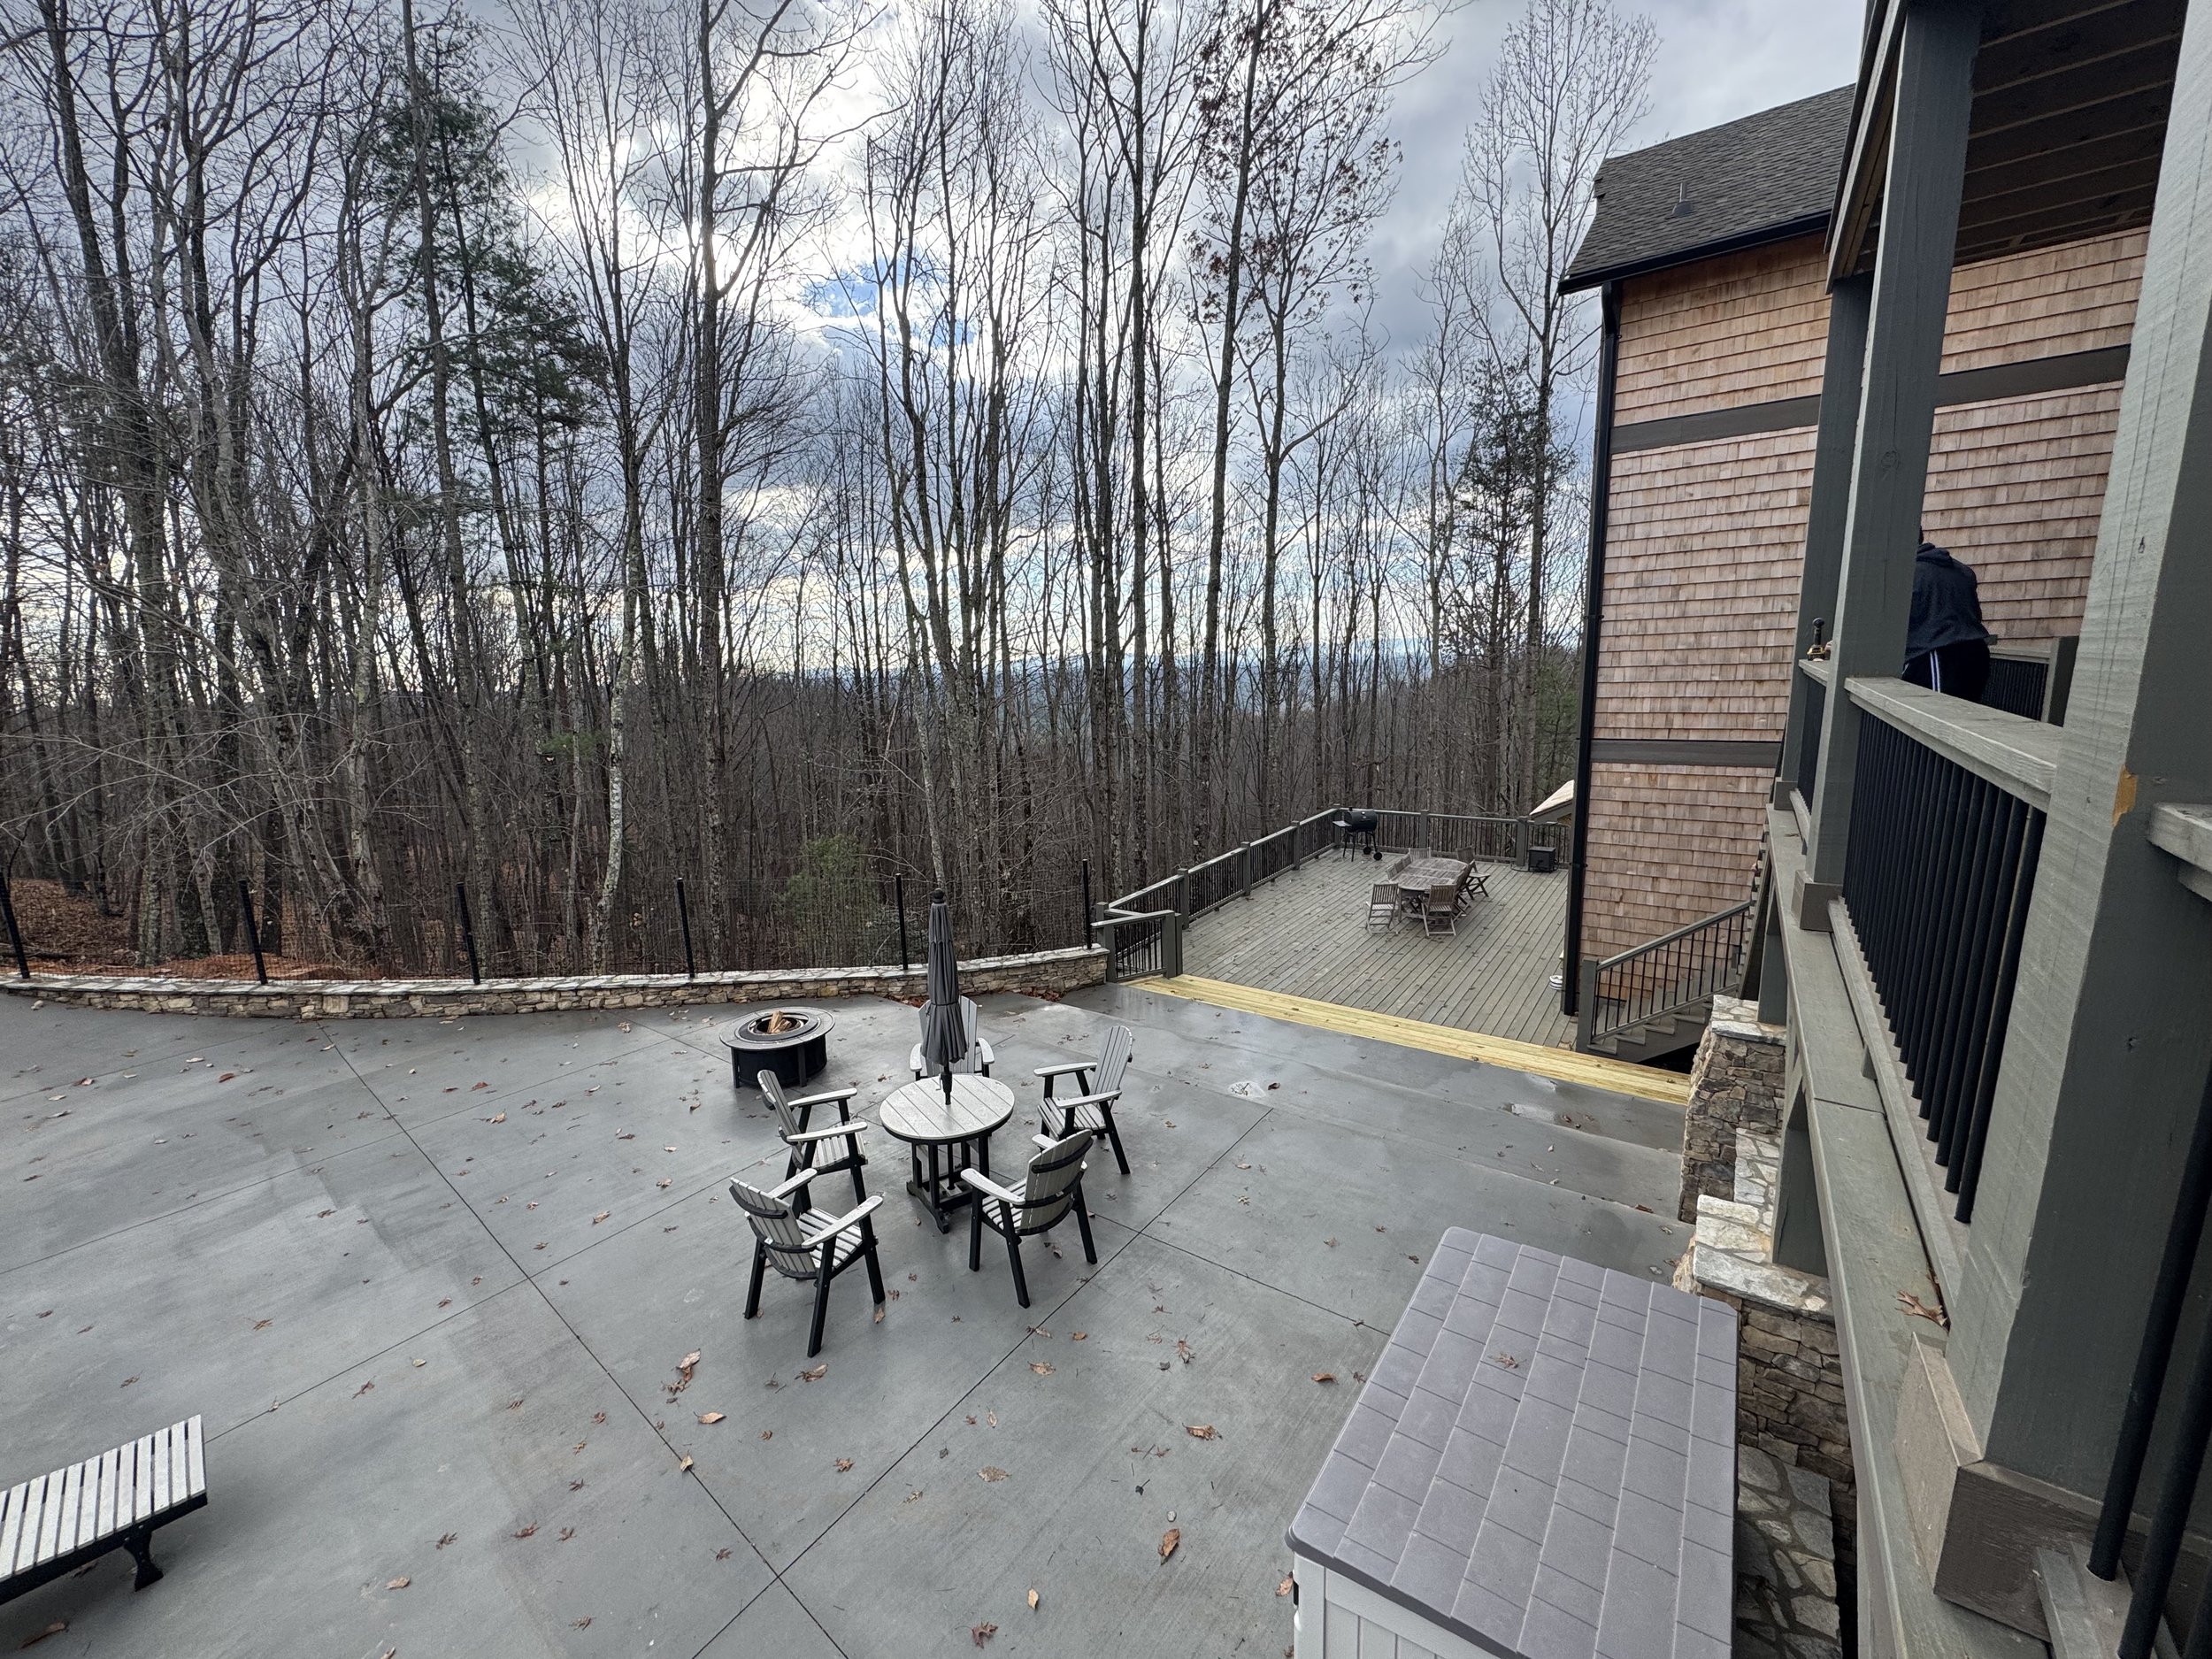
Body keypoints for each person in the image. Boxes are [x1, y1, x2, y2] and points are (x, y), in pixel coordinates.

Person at [1902, 534, 1992, 702]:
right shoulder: (1962, 571)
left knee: (1931, 715)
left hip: (1936, 654)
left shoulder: (1907, 574)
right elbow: (1975, 615)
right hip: (1976, 653)